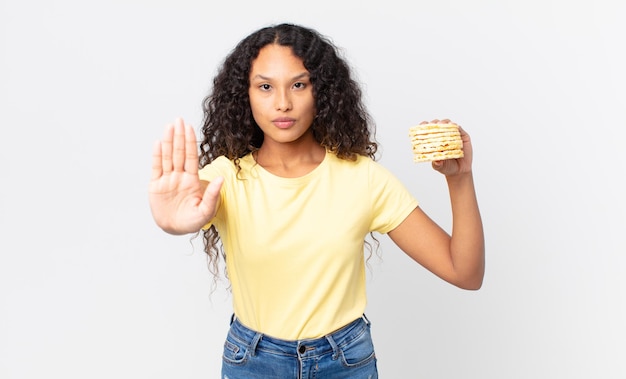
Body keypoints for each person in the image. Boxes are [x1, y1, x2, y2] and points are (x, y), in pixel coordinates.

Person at [148, 23, 484, 379]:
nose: (283, 103)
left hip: (345, 362)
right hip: (254, 363)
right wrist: (170, 221)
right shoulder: (224, 178)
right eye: (265, 86)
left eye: (298, 84)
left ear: (320, 90)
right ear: (243, 95)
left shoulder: (363, 178)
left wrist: (459, 179)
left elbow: (464, 272)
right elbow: (186, 207)